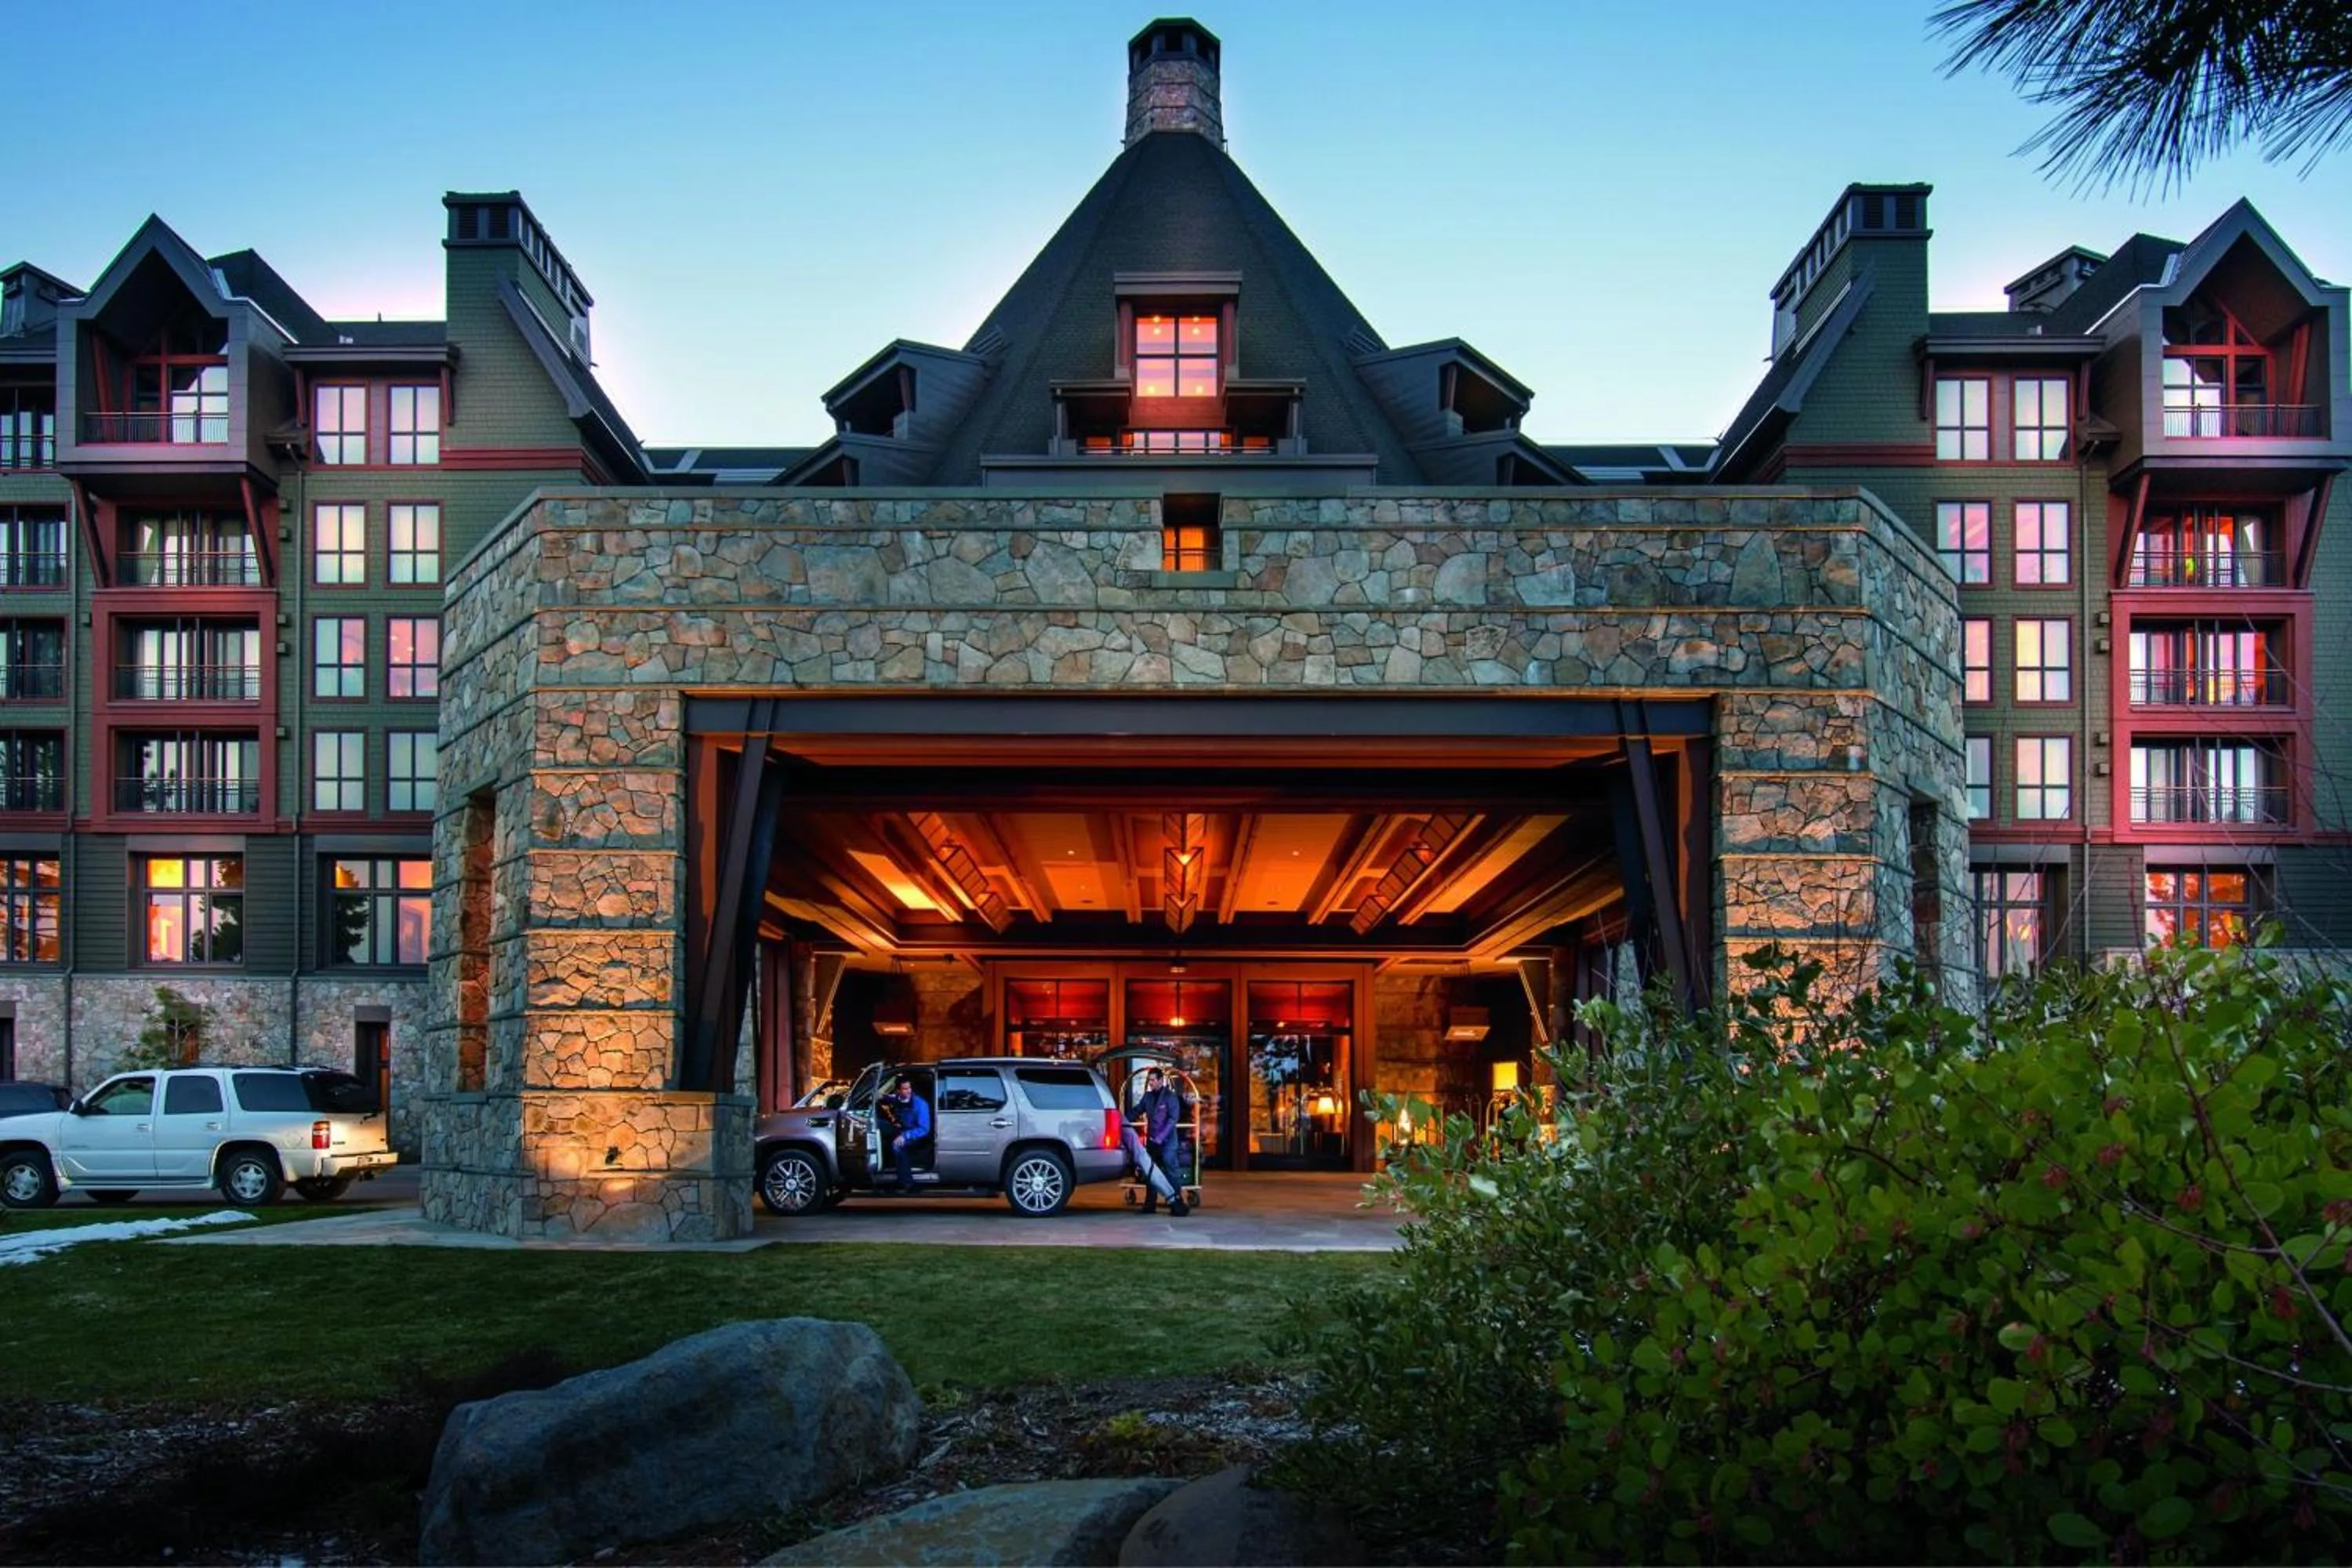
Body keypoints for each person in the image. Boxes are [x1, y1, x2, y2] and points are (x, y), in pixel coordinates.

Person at [1135, 1066, 1189, 1217]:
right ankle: (1149, 1204)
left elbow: (1173, 1120)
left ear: (1160, 1080)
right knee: (1150, 1171)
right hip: (1153, 1141)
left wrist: (1160, 1138)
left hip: (1167, 1142)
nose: (1150, 1083)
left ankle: (1177, 1203)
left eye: (1153, 1080)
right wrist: (1122, 1118)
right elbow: (1138, 1110)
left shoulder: (1170, 1097)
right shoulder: (1147, 1097)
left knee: (1171, 1171)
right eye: (1149, 1080)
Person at [877, 1074, 931, 1188]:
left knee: (897, 1146)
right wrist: (879, 1096)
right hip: (900, 1129)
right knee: (878, 1123)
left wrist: (905, 1136)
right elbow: (886, 1097)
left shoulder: (920, 1104)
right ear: (898, 1090)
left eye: (909, 1088)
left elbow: (924, 1129)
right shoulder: (896, 1098)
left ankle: (907, 1183)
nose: (908, 1091)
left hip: (915, 1134)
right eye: (905, 1089)